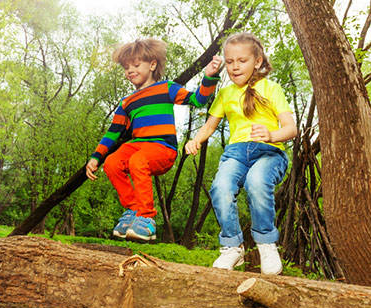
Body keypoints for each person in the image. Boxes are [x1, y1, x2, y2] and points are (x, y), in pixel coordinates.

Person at [86, 38, 222, 241]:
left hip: (162, 148)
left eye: (136, 64)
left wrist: (209, 77)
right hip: (138, 146)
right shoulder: (126, 102)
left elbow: (198, 101)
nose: (130, 70)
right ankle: (134, 209)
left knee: (137, 161)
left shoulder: (167, 88)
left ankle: (147, 217)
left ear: (152, 64)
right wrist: (96, 157)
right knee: (112, 163)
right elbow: (112, 133)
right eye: (126, 67)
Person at [185, 32, 297, 275]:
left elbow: (291, 129)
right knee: (221, 186)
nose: (235, 67)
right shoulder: (225, 94)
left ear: (257, 61)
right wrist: (195, 140)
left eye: (242, 61)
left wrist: (271, 134)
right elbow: (209, 126)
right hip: (236, 154)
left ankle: (266, 243)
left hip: (269, 152)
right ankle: (232, 247)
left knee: (256, 181)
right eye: (230, 61)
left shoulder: (271, 88)